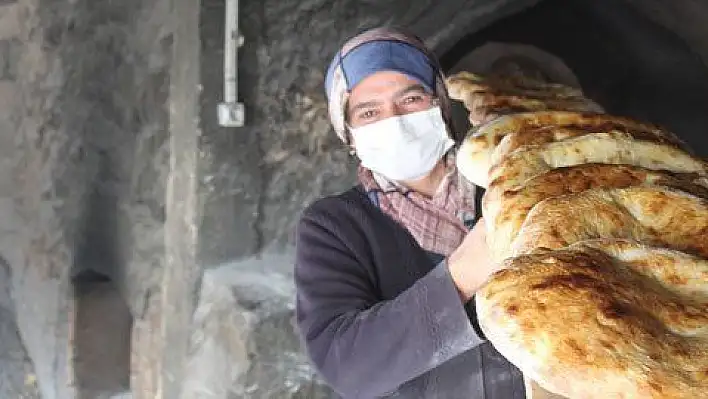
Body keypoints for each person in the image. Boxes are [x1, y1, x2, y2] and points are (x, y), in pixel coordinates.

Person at [293, 26, 525, 399]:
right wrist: (460, 275)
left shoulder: (507, 187)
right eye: (369, 112)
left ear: (440, 106)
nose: (395, 120)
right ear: (348, 134)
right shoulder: (335, 226)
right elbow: (348, 366)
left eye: (411, 99)